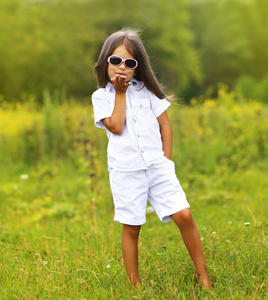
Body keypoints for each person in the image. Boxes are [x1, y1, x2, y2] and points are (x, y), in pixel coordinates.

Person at [91, 28, 212, 289]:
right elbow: (116, 126)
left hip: (157, 166)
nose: (121, 67)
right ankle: (135, 286)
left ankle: (203, 276)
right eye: (115, 60)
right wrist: (120, 94)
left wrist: (166, 161)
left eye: (129, 63)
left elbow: (165, 126)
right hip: (126, 171)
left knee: (185, 215)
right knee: (131, 227)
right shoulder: (101, 97)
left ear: (138, 67)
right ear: (106, 62)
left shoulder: (147, 91)